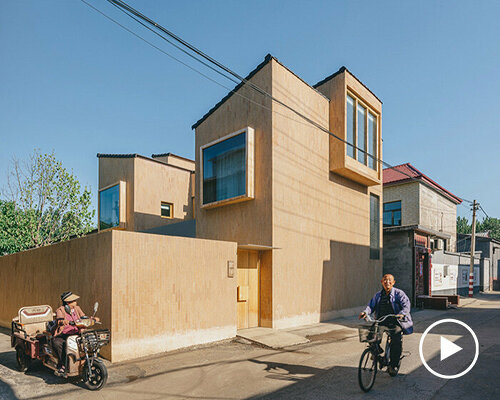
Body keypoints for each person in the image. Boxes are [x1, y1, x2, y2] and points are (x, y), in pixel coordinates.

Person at [359, 274, 413, 376]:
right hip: (381, 321)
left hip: (395, 321)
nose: (387, 282)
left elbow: (406, 305)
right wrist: (365, 312)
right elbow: (371, 306)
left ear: (393, 282)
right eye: (385, 280)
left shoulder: (399, 293)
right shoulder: (378, 295)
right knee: (371, 336)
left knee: (396, 339)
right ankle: (376, 354)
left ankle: (393, 365)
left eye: (389, 280)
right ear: (381, 282)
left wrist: (402, 313)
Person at [52, 291, 97, 376]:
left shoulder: (77, 308)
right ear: (68, 302)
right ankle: (63, 365)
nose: (76, 302)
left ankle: (88, 359)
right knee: (58, 343)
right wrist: (63, 321)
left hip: (78, 332)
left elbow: (83, 317)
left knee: (89, 340)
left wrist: (91, 319)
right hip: (65, 334)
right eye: (74, 300)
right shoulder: (60, 310)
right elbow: (59, 320)